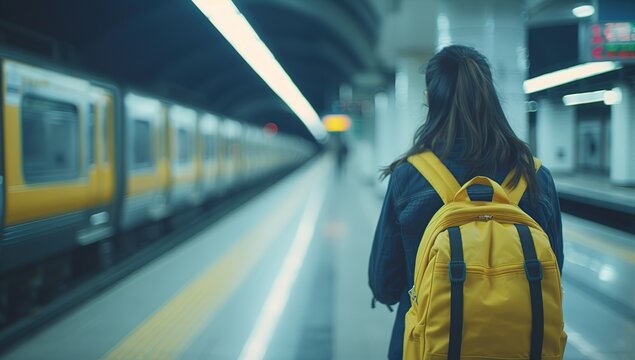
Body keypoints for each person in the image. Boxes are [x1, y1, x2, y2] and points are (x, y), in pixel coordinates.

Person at [368, 45, 564, 360]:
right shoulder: (535, 175)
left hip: (430, 347)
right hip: (521, 348)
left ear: (430, 101)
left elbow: (384, 284)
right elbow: (555, 269)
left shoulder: (410, 176)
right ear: (491, 98)